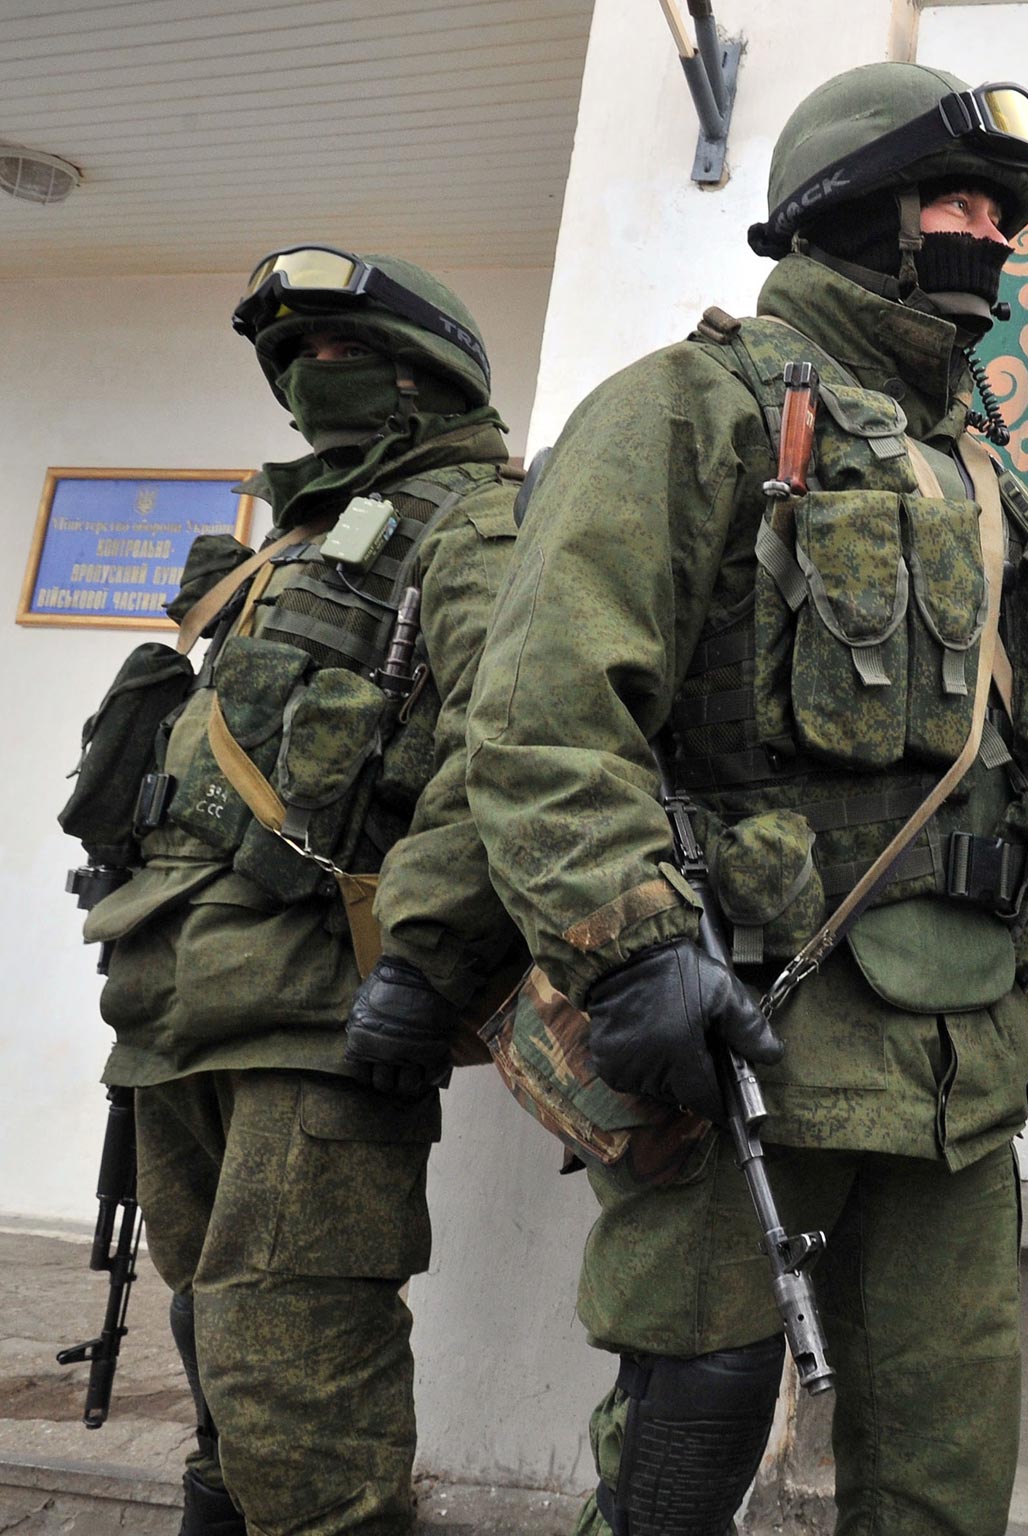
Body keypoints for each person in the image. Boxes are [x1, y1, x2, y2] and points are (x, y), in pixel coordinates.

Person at [466, 61, 1028, 1536]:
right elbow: (544, 710)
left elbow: (1022, 761)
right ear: (859, 207)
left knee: (945, 1470)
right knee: (683, 1459)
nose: (990, 233)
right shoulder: (688, 408)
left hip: (961, 1052)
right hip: (749, 1020)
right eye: (959, 198)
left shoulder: (979, 475)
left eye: (1001, 210)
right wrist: (633, 945)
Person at [68, 249, 522, 1534]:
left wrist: (430, 960)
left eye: (342, 351)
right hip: (171, 1003)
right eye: (297, 359)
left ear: (424, 372)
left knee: (298, 1374)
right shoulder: (292, 549)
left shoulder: (473, 524)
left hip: (317, 1022)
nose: (314, 378)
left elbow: (510, 746)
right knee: (217, 1349)